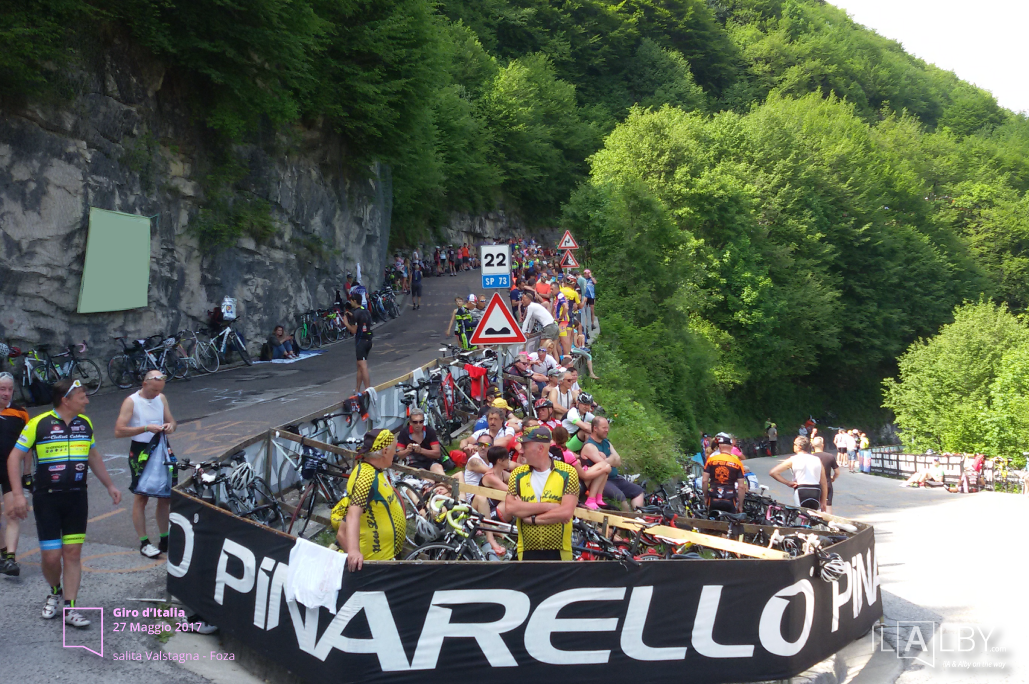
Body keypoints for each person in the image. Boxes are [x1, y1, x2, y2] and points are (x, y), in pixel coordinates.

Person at [6, 378, 122, 627]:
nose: (87, 400)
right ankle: (55, 590)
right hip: (47, 497)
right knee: (51, 558)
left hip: (77, 497)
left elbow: (93, 455)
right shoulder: (38, 423)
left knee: (72, 553)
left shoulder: (85, 423)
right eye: (82, 396)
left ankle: (71, 607)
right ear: (65, 400)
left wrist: (110, 485)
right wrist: (17, 494)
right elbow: (14, 458)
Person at [114, 371, 177, 559]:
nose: (156, 394)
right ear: (144, 384)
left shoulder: (161, 398)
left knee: (165, 496)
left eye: (159, 390)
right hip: (141, 449)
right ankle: (144, 541)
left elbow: (171, 421)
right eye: (153, 390)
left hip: (161, 446)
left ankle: (165, 538)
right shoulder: (131, 401)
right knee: (141, 497)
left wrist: (170, 427)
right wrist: (145, 428)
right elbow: (119, 431)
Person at [333, 429, 405, 570]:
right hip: (375, 564)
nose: (395, 453)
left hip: (385, 559)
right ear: (385, 451)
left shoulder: (374, 470)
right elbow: (352, 516)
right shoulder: (366, 477)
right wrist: (354, 552)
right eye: (394, 449)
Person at [505, 427, 579, 561]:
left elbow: (566, 513)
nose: (520, 450)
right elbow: (510, 508)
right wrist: (550, 506)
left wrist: (530, 518)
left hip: (559, 551)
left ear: (540, 448)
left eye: (524, 446)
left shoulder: (568, 472)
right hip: (526, 551)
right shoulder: (517, 474)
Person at [0, 372, 30, 576]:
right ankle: (3, 551)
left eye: (10, 389)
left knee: (12, 513)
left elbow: (27, 447)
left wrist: (26, 473)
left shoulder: (20, 413)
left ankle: (10, 558)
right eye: (2, 389)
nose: (6, 393)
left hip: (9, 470)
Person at [769, 436, 827, 510]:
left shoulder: (793, 459)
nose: (793, 446)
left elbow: (773, 472)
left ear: (799, 447)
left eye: (794, 444)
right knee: (815, 515)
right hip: (816, 490)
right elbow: (824, 482)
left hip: (801, 489)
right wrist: (823, 502)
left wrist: (787, 482)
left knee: (801, 514)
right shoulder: (817, 459)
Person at [701, 432, 748, 513]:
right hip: (729, 498)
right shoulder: (737, 463)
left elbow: (704, 481)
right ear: (731, 447)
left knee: (712, 518)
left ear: (719, 446)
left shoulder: (711, 460)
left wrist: (705, 497)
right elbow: (741, 486)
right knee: (731, 519)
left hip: (714, 497)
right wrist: (740, 505)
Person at [396, 409, 445, 475]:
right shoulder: (404, 433)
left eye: (421, 422)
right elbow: (399, 455)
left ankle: (446, 481)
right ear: (410, 422)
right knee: (424, 475)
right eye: (415, 422)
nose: (418, 424)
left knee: (438, 469)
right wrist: (407, 450)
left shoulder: (429, 431)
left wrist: (421, 450)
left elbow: (437, 454)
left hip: (430, 461)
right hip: (414, 464)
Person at [343, 291, 374, 393]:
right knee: (359, 365)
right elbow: (362, 319)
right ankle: (357, 389)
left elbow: (353, 331)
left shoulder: (355, 314)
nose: (350, 302)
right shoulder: (365, 310)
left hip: (361, 341)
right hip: (368, 340)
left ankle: (368, 390)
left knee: (363, 366)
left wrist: (346, 323)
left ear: (355, 301)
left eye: (351, 300)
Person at [811, 436, 839, 514]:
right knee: (828, 506)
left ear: (813, 445)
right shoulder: (830, 456)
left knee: (813, 508)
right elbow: (837, 472)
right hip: (827, 484)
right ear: (822, 445)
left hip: (814, 485)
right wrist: (833, 478)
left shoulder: (810, 457)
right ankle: (828, 521)